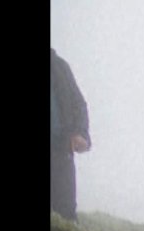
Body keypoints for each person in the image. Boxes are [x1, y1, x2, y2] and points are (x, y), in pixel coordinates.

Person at [51, 49, 92, 220]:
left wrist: (80, 133)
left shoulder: (59, 66)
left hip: (61, 151)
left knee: (65, 214)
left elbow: (78, 103)